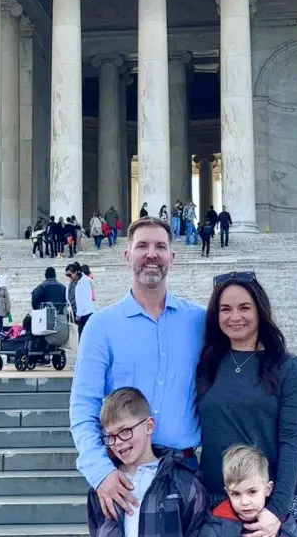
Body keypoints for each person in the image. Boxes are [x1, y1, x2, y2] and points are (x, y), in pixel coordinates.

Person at [196, 271, 297, 537]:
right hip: (221, 505)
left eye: (244, 307)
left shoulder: (287, 367)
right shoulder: (207, 366)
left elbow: (292, 442)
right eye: (225, 309)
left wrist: (275, 512)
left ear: (260, 311)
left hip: (279, 504)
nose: (235, 317)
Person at [69, 216, 207, 521]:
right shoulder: (101, 326)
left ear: (173, 256)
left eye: (160, 246)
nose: (151, 254)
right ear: (127, 255)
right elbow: (84, 407)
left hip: (184, 472)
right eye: (142, 245)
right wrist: (100, 471)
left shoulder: (200, 321)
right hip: (120, 476)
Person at [87, 387, 208, 537]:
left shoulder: (183, 485)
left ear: (149, 426)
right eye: (110, 436)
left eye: (125, 431)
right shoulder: (102, 488)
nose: (118, 443)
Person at [68, 261, 95, 338]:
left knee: (84, 336)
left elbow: (82, 300)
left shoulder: (84, 281)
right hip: (79, 313)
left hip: (85, 313)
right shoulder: (73, 282)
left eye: (70, 274)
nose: (69, 277)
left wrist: (78, 314)